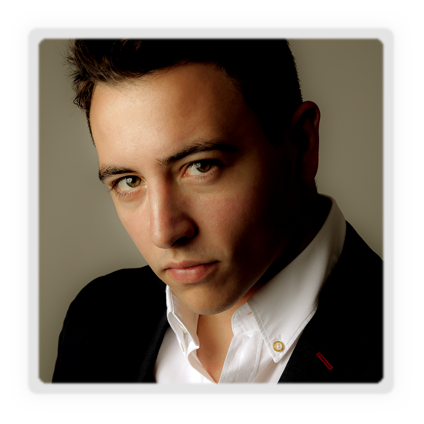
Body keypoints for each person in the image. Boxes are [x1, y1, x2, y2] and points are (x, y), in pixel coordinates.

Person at [52, 39, 383, 383]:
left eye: (201, 166)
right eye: (129, 181)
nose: (164, 232)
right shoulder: (94, 321)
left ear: (301, 144)